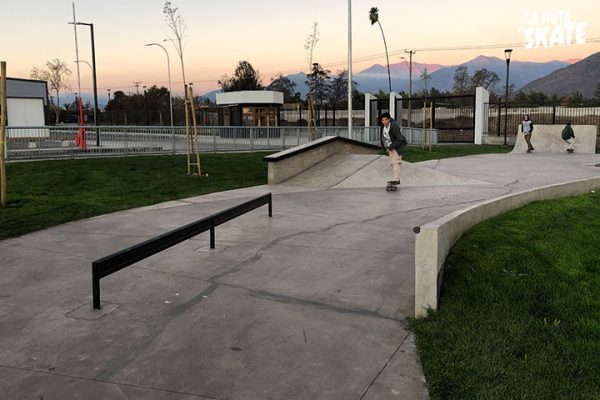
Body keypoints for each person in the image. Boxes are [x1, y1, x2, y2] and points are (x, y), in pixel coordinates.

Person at [379, 112, 407, 185]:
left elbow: (399, 139)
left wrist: (391, 147)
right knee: (392, 163)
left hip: (396, 146)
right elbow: (383, 137)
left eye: (386, 120)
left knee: (396, 162)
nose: (384, 122)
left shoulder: (394, 126)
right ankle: (396, 179)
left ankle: (397, 180)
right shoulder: (383, 126)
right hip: (390, 147)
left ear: (389, 120)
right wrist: (385, 147)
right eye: (383, 120)